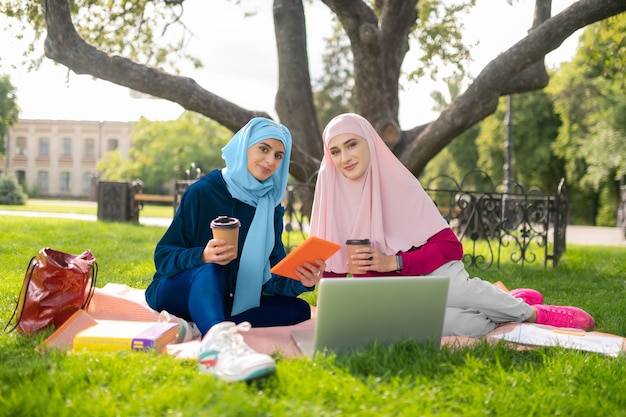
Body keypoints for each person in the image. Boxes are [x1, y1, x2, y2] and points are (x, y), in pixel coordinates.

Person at [309, 113, 595, 338]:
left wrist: (394, 261)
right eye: (335, 151)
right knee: (472, 326)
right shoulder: (331, 195)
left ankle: (532, 314)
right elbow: (331, 278)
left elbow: (451, 248)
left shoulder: (399, 184)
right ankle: (501, 301)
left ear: (369, 143)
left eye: (351, 145)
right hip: (393, 297)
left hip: (433, 271)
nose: (344, 158)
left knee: (459, 292)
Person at [145, 117, 325, 381]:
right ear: (244, 147)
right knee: (211, 272)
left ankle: (201, 323)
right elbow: (164, 257)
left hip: (231, 299)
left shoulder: (270, 207)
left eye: (278, 155)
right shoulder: (203, 192)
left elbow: (272, 277)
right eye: (263, 149)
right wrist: (202, 255)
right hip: (177, 288)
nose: (270, 161)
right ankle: (218, 349)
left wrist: (303, 280)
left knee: (298, 309)